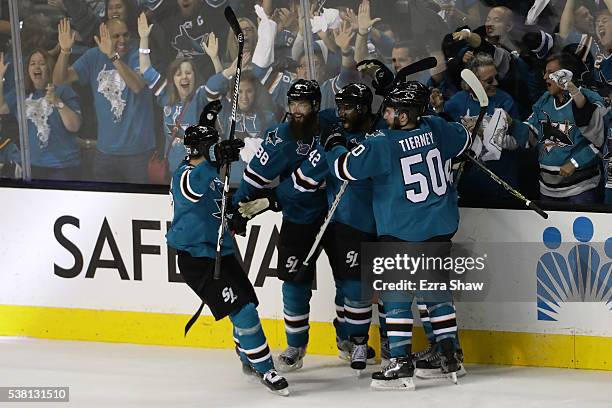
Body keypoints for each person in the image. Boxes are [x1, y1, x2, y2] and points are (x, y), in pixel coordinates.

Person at [324, 81, 468, 390]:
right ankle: (450, 356)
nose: (384, 115)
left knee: (396, 299)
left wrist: (334, 143)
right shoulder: (435, 127)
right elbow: (464, 137)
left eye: (389, 110)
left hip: (403, 230)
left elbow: (344, 168)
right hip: (440, 227)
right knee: (437, 296)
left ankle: (400, 364)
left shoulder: (383, 143)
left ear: (403, 116)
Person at [166, 123, 289, 396]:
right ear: (202, 149)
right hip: (198, 260)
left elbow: (216, 208)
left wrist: (235, 215)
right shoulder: (184, 175)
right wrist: (217, 157)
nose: (217, 150)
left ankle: (248, 354)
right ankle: (265, 367)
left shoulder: (213, 177)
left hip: (223, 252)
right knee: (243, 311)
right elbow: (193, 188)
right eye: (213, 145)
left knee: (249, 305)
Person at [231, 79, 329, 373]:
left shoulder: (332, 124)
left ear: (316, 105)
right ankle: (296, 345)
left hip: (342, 216)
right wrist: (237, 209)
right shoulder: (280, 137)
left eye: (304, 104)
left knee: (351, 283)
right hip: (300, 218)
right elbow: (253, 178)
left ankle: (352, 340)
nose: (297, 110)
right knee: (294, 283)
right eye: (293, 104)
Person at [53, 18, 155, 183]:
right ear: (104, 37)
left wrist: (112, 57)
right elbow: (60, 80)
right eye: (116, 36)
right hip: (105, 153)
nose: (122, 40)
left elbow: (137, 85)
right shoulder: (93, 57)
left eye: (125, 35)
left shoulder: (138, 54)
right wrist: (65, 51)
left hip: (138, 153)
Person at [513, 53, 607, 203]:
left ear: (567, 75)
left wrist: (576, 162)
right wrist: (512, 124)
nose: (545, 77)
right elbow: (531, 135)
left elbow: (603, 139)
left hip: (581, 188)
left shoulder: (590, 99)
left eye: (550, 73)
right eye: (545, 72)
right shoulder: (544, 100)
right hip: (547, 189)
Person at [138, 12, 209, 176]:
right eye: (178, 74)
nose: (183, 77)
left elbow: (219, 86)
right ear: (173, 79)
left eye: (188, 73)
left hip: (198, 172)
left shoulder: (201, 97)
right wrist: (143, 38)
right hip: (171, 171)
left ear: (195, 76)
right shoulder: (165, 95)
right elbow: (145, 69)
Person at [0, 50, 82, 180]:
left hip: (62, 168)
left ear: (49, 68)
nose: (37, 67)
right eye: (32, 63)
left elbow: (74, 126)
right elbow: (2, 108)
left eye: (42, 63)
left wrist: (57, 102)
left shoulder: (62, 90)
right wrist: (0, 79)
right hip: (31, 166)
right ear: (28, 69)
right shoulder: (20, 93)